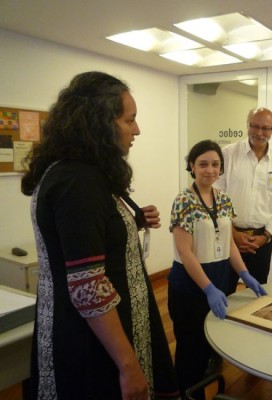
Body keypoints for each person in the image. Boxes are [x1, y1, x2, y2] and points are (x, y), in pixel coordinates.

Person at [20, 71, 178, 399]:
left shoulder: (77, 172)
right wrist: (129, 366)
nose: (137, 130)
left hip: (90, 332)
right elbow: (87, 287)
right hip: (92, 345)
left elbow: (84, 238)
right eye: (129, 120)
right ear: (100, 122)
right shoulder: (78, 181)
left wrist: (129, 222)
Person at [167, 139, 267, 398]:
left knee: (208, 345)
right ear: (192, 166)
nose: (210, 170)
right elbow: (185, 252)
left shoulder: (223, 199)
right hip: (190, 286)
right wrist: (208, 288)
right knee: (190, 349)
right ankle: (189, 395)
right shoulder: (183, 201)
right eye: (203, 164)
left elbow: (229, 243)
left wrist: (245, 274)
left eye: (215, 165)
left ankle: (200, 387)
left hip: (220, 279)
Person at [214, 107, 272, 295]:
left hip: (261, 242)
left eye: (266, 128)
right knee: (225, 291)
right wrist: (232, 233)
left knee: (258, 293)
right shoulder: (228, 154)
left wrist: (265, 237)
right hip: (229, 238)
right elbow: (216, 197)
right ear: (247, 125)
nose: (259, 133)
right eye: (254, 126)